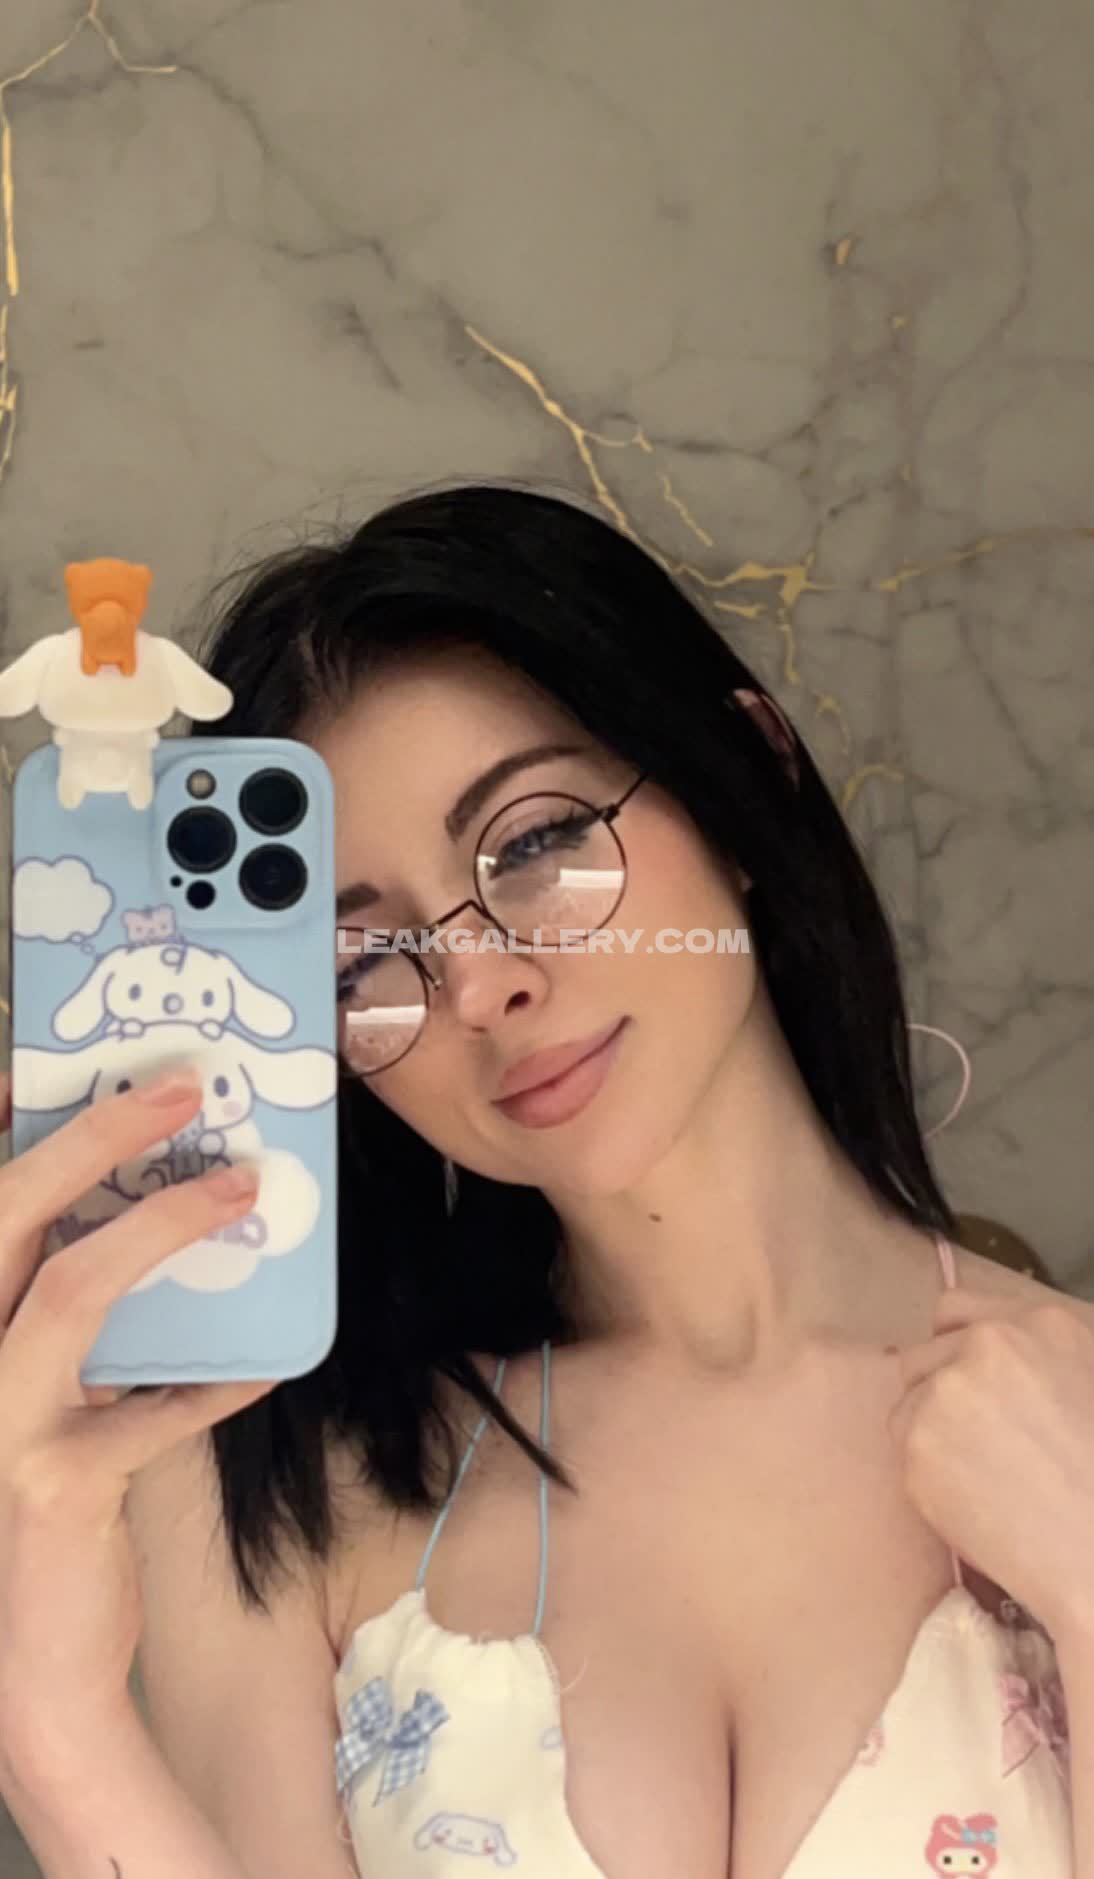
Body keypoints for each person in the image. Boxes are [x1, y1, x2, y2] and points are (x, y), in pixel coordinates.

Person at [0, 485, 1082, 1877]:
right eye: (362, 960)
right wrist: (52, 1721)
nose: (481, 986)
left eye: (532, 844)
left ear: (746, 780)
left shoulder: (1068, 1422)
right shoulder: (277, 1482)